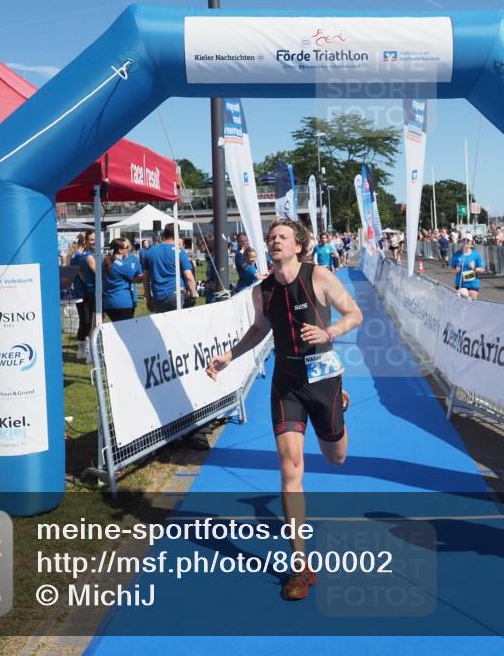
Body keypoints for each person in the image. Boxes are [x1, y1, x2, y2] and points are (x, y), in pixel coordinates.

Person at [205, 219, 362, 601]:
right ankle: (300, 565)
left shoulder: (319, 275)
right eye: (272, 238)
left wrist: (330, 333)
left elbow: (354, 314)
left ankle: (338, 406)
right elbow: (259, 330)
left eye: (282, 237)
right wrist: (228, 357)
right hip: (286, 381)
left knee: (336, 457)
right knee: (290, 467)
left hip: (322, 378)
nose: (275, 242)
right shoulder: (263, 291)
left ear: (298, 245)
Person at [141, 223, 198, 313]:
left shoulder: (150, 251)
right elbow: (189, 277)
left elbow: (146, 279)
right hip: (176, 294)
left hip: (158, 295)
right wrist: (193, 295)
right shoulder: (179, 251)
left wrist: (148, 298)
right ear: (177, 235)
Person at [102, 238, 143, 322]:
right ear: (120, 250)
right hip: (122, 303)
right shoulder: (121, 264)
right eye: (127, 247)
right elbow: (137, 279)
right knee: (126, 333)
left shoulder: (106, 262)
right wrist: (148, 273)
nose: (128, 249)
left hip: (109, 303)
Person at [72, 230, 97, 361]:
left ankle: (85, 350)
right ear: (84, 241)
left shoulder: (84, 254)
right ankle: (84, 351)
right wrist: (87, 283)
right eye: (91, 239)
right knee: (86, 321)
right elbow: (78, 273)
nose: (94, 241)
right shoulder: (78, 256)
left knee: (88, 321)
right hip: (82, 293)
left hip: (85, 291)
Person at [451, 236, 485, 300]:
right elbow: (452, 268)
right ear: (461, 241)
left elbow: (481, 270)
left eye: (468, 240)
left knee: (472, 303)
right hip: (461, 283)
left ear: (471, 242)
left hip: (473, 283)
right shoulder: (456, 255)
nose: (465, 242)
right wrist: (455, 270)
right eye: (464, 240)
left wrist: (474, 268)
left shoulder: (476, 255)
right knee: (464, 299)